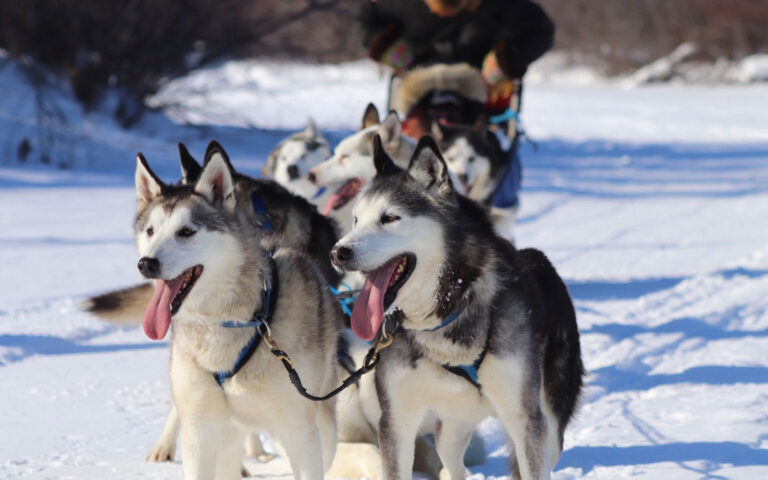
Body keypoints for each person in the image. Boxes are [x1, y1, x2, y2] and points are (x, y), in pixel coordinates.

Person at [359, 0, 554, 211]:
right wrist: (391, 49)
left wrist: (507, 60)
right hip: (419, 87)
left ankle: (496, 217)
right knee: (407, 146)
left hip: (484, 89)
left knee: (496, 161)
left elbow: (541, 31)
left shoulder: (502, 6)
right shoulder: (405, 5)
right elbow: (367, 17)